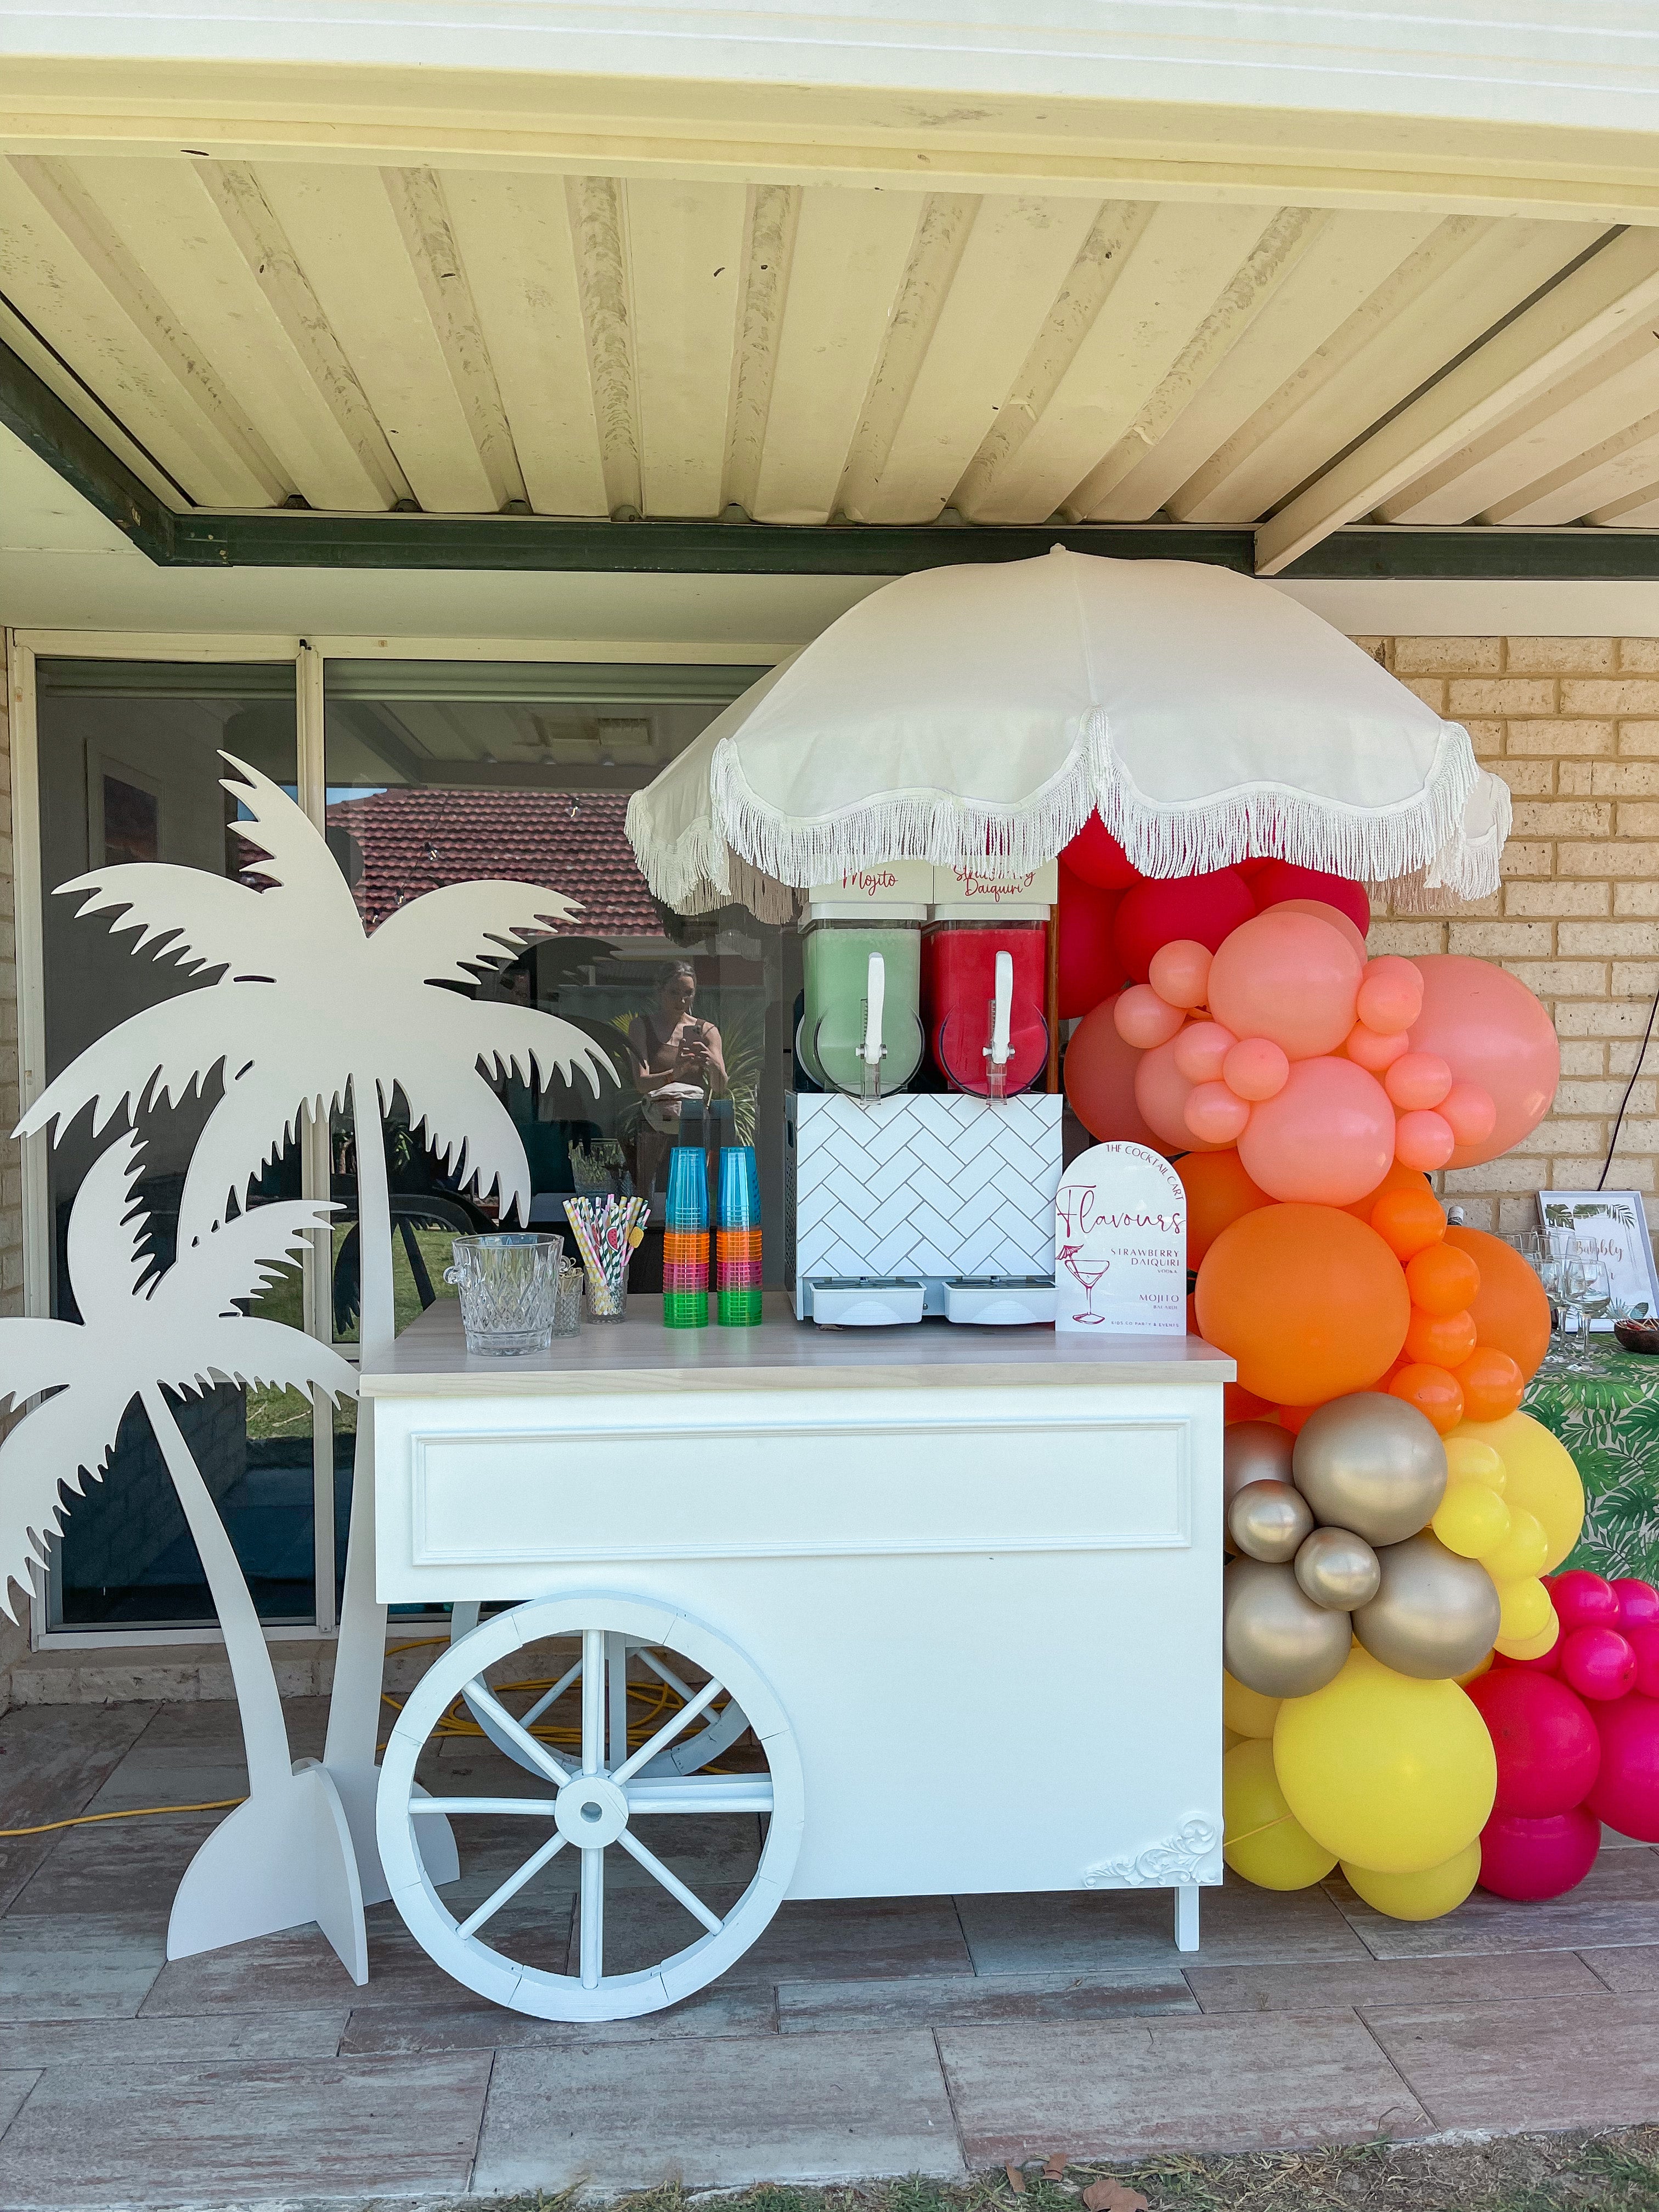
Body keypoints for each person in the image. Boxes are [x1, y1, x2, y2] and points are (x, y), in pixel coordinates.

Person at [628, 962, 727, 1195]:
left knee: (695, 1192)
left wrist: (713, 1065)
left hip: (693, 1126)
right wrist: (676, 1073)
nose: (682, 1001)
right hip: (655, 1126)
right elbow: (641, 1083)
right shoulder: (642, 1027)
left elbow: (721, 1087)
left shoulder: (706, 1031)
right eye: (674, 993)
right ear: (659, 990)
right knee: (654, 1196)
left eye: (688, 993)